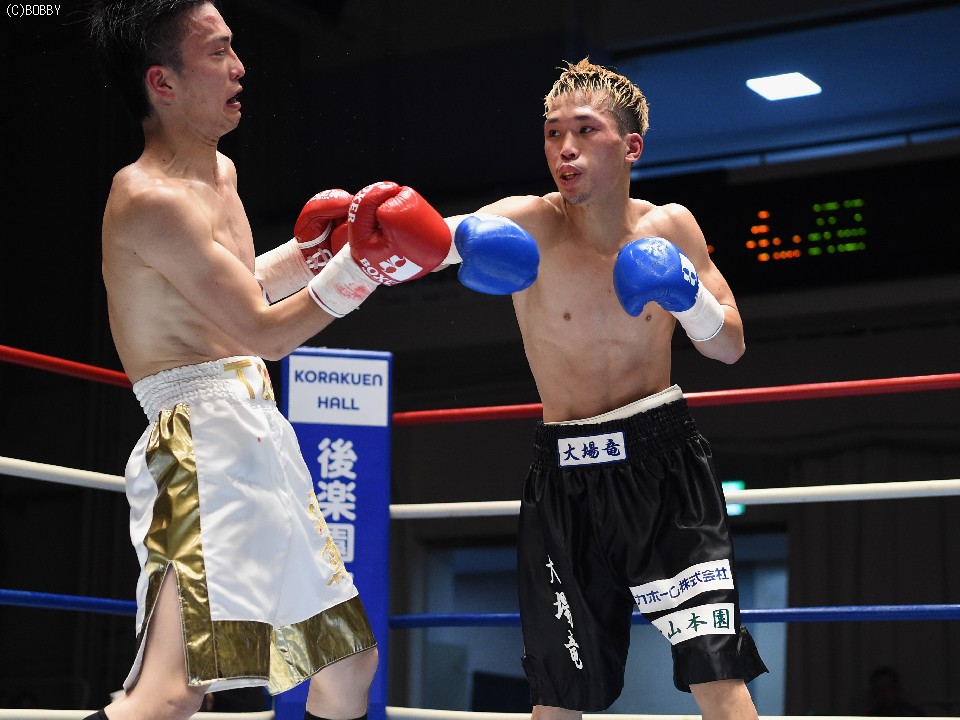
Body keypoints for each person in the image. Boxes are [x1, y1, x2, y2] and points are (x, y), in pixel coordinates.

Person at [87, 2, 453, 719]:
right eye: (217, 52)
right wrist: (360, 268)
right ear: (162, 83)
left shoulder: (219, 174)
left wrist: (310, 256)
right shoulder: (148, 197)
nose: (239, 67)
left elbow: (233, 292)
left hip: (256, 432)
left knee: (347, 665)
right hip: (198, 444)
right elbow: (265, 334)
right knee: (169, 695)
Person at [441, 58, 769, 719]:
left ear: (631, 146)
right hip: (565, 478)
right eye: (552, 133)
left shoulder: (671, 227)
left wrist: (687, 298)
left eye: (585, 130)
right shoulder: (525, 223)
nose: (565, 148)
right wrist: (351, 244)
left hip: (665, 469)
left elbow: (729, 345)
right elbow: (421, 244)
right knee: (559, 698)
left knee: (717, 673)